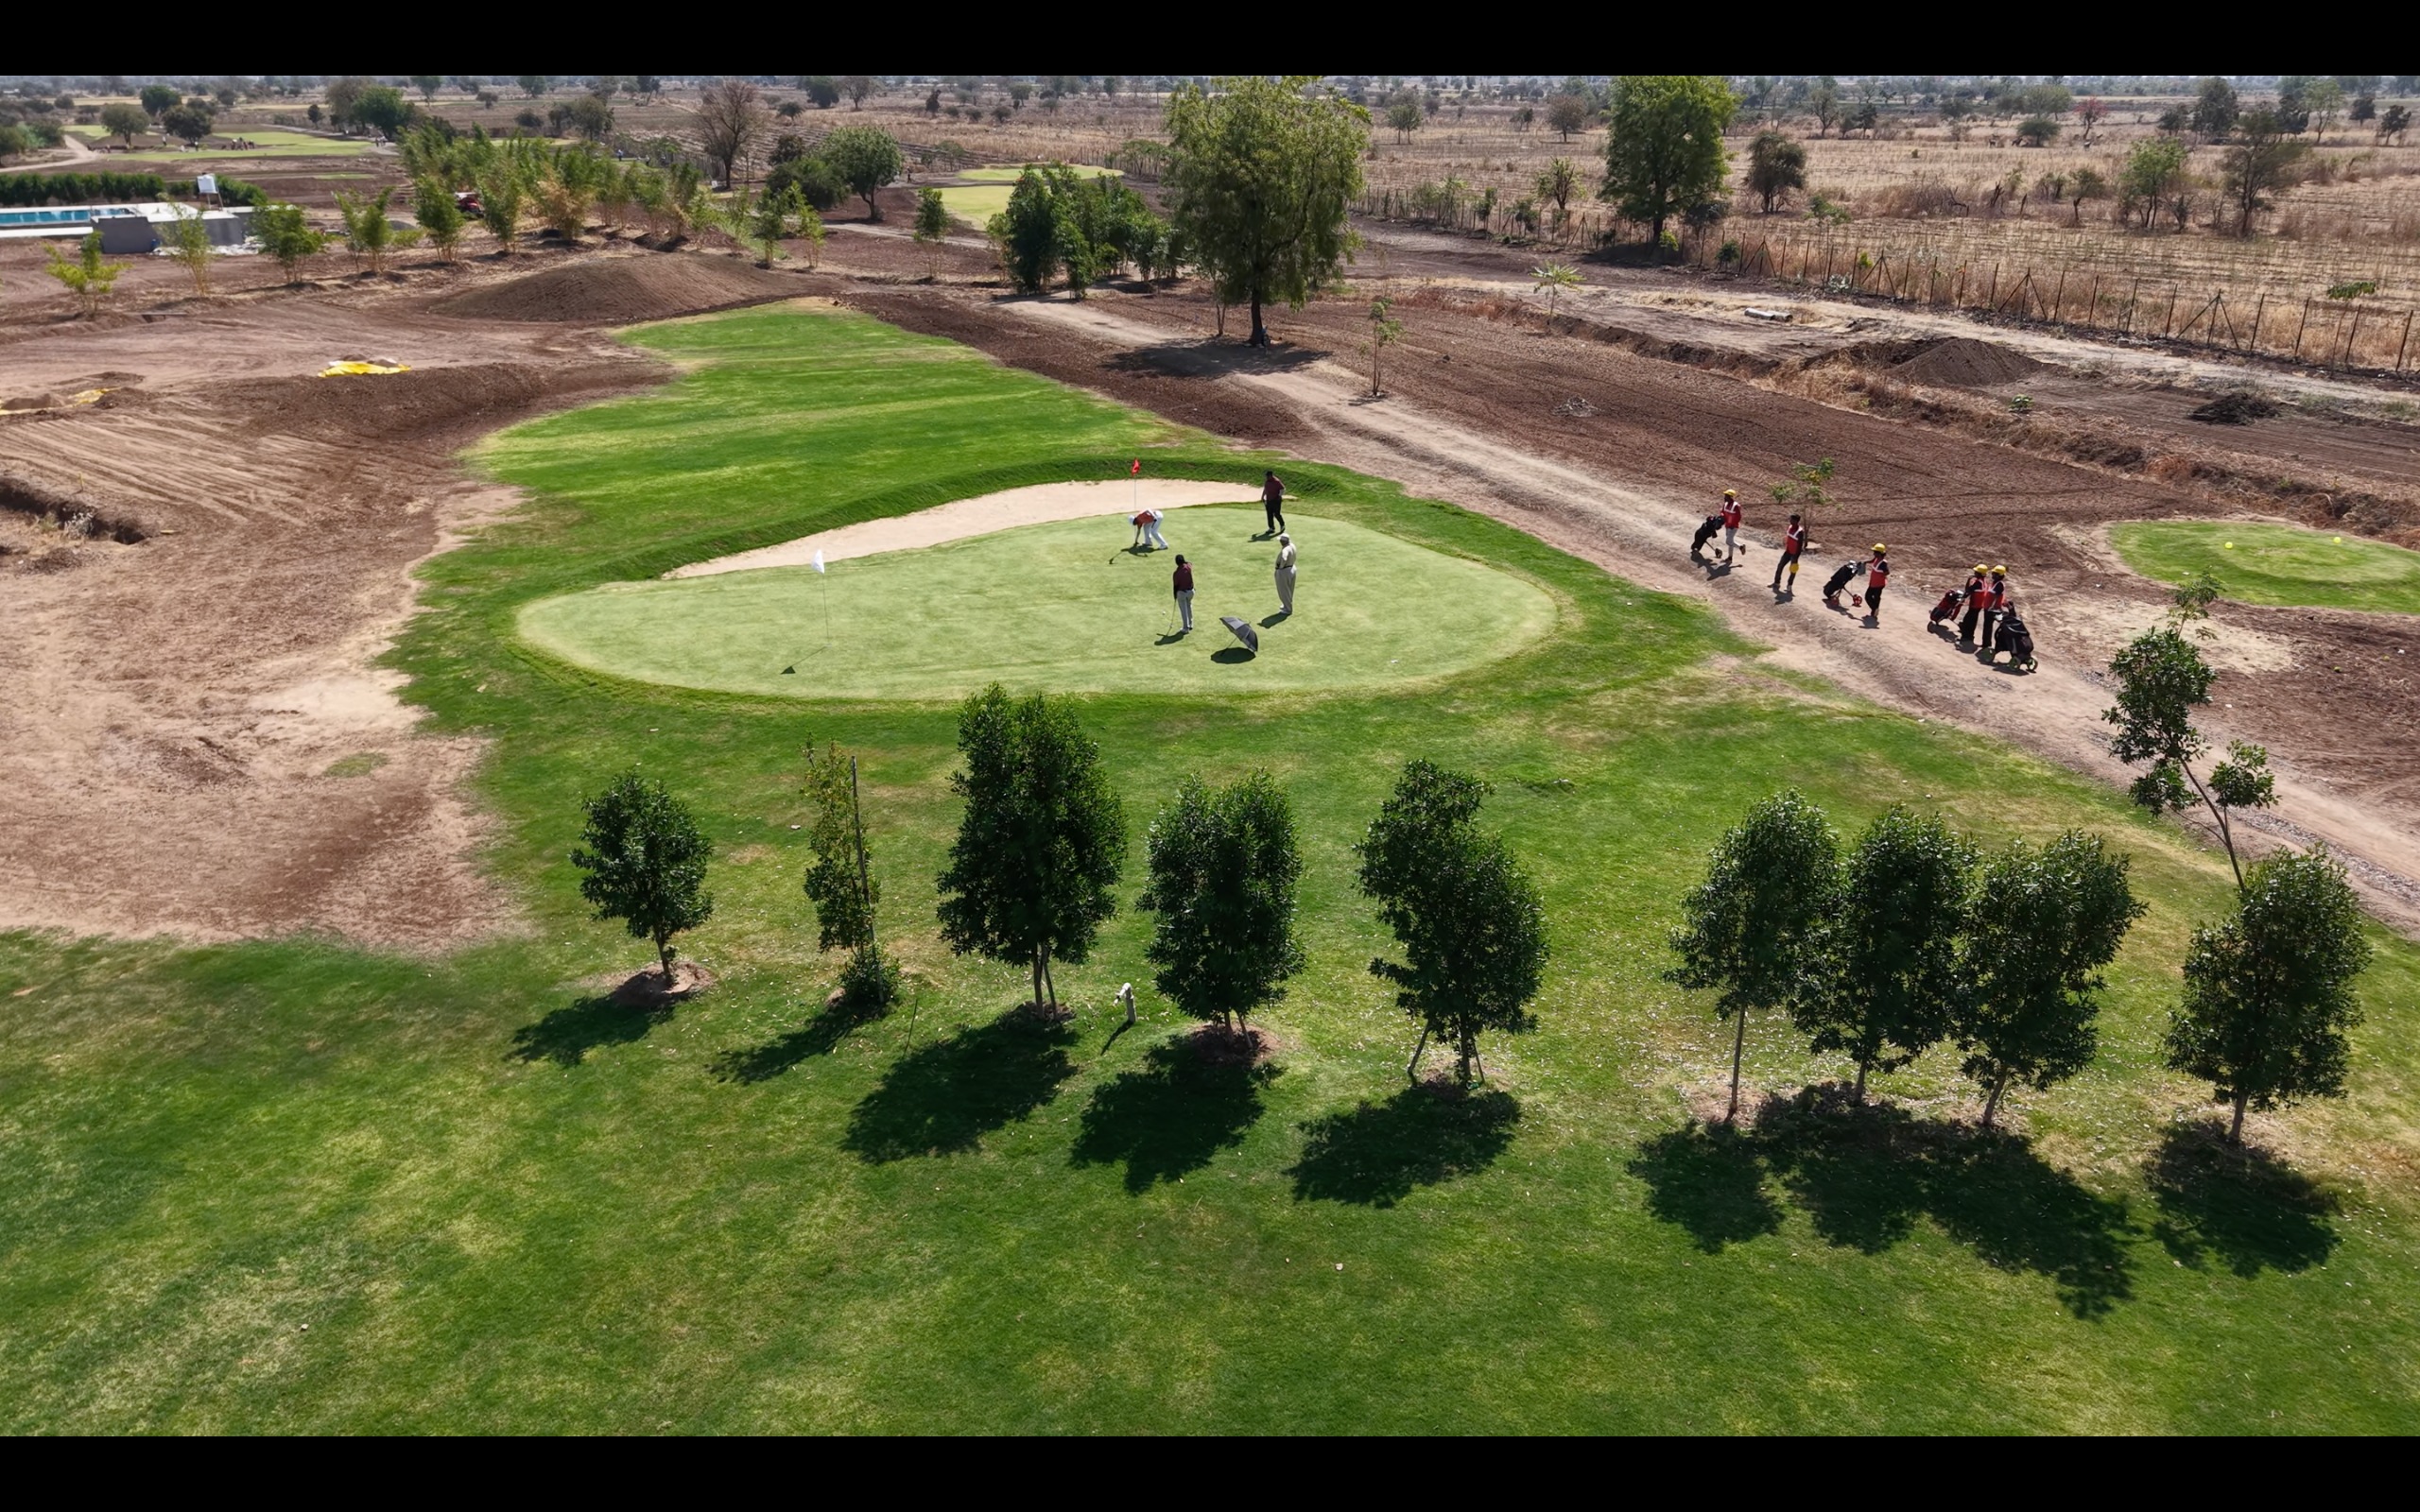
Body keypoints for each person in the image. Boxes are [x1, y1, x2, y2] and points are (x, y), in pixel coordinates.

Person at [1977, 566, 2009, 660]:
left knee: (1988, 627)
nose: (1992, 575)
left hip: (1992, 610)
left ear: (1999, 575)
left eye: (1994, 574)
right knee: (1987, 627)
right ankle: (1985, 644)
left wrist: (1991, 608)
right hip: (1989, 608)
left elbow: (1996, 597)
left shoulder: (1999, 585)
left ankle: (1987, 646)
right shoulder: (1996, 583)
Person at [1772, 511, 1807, 594]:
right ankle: (1777, 583)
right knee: (1780, 566)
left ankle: (1789, 586)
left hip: (1794, 554)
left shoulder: (1800, 532)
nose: (1789, 520)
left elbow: (1799, 545)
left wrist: (1796, 556)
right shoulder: (1790, 527)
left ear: (1796, 521)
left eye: (1791, 519)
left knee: (1793, 570)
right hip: (1787, 552)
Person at [1956, 563, 1991, 647]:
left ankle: (1967, 637)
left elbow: (1969, 590)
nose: (1974, 573)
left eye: (1976, 572)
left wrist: (1968, 581)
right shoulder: (1983, 581)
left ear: (1979, 573)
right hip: (1978, 605)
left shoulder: (1978, 583)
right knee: (1971, 620)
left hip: (1975, 605)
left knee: (1969, 621)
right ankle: (1968, 635)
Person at [1862, 543, 1891, 623]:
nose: (1873, 553)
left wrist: (1881, 576)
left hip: (1878, 584)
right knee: (1870, 597)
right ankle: (1875, 610)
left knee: (1872, 597)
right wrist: (1865, 562)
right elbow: (1872, 561)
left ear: (1879, 553)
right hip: (1873, 583)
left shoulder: (1883, 563)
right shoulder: (1876, 558)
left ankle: (1874, 611)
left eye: (1875, 552)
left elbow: (1887, 572)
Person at [1272, 532, 1297, 615]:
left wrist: (1281, 567)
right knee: (1290, 589)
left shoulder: (1285, 550)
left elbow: (1284, 558)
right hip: (1292, 568)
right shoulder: (1292, 546)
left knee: (1283, 590)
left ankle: (1288, 609)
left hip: (1284, 571)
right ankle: (1286, 605)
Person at [1719, 489, 1744, 562]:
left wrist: (1733, 524)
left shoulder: (1736, 506)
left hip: (1733, 527)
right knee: (1730, 542)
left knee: (1728, 542)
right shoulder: (1726, 504)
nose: (1724, 498)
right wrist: (1722, 516)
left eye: (1726, 496)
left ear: (1730, 497)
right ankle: (1730, 558)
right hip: (1727, 525)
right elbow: (1722, 511)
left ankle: (1741, 547)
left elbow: (1739, 517)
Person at [1171, 554, 1194, 633]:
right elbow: (1190, 563)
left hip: (1182, 593)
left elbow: (1176, 586)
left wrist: (1175, 596)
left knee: (1183, 610)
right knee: (1189, 606)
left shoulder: (1176, 573)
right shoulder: (1188, 566)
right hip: (1191, 591)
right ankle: (1191, 624)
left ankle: (1185, 628)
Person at [1261, 470, 1286, 535]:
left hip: (1276, 500)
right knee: (1269, 514)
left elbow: (1282, 489)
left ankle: (1282, 525)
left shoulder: (1276, 481)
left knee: (1277, 514)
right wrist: (1263, 496)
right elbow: (1265, 489)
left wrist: (1279, 496)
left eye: (1267, 476)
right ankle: (1271, 528)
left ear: (1271, 476)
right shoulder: (1267, 482)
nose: (1266, 477)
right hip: (1269, 500)